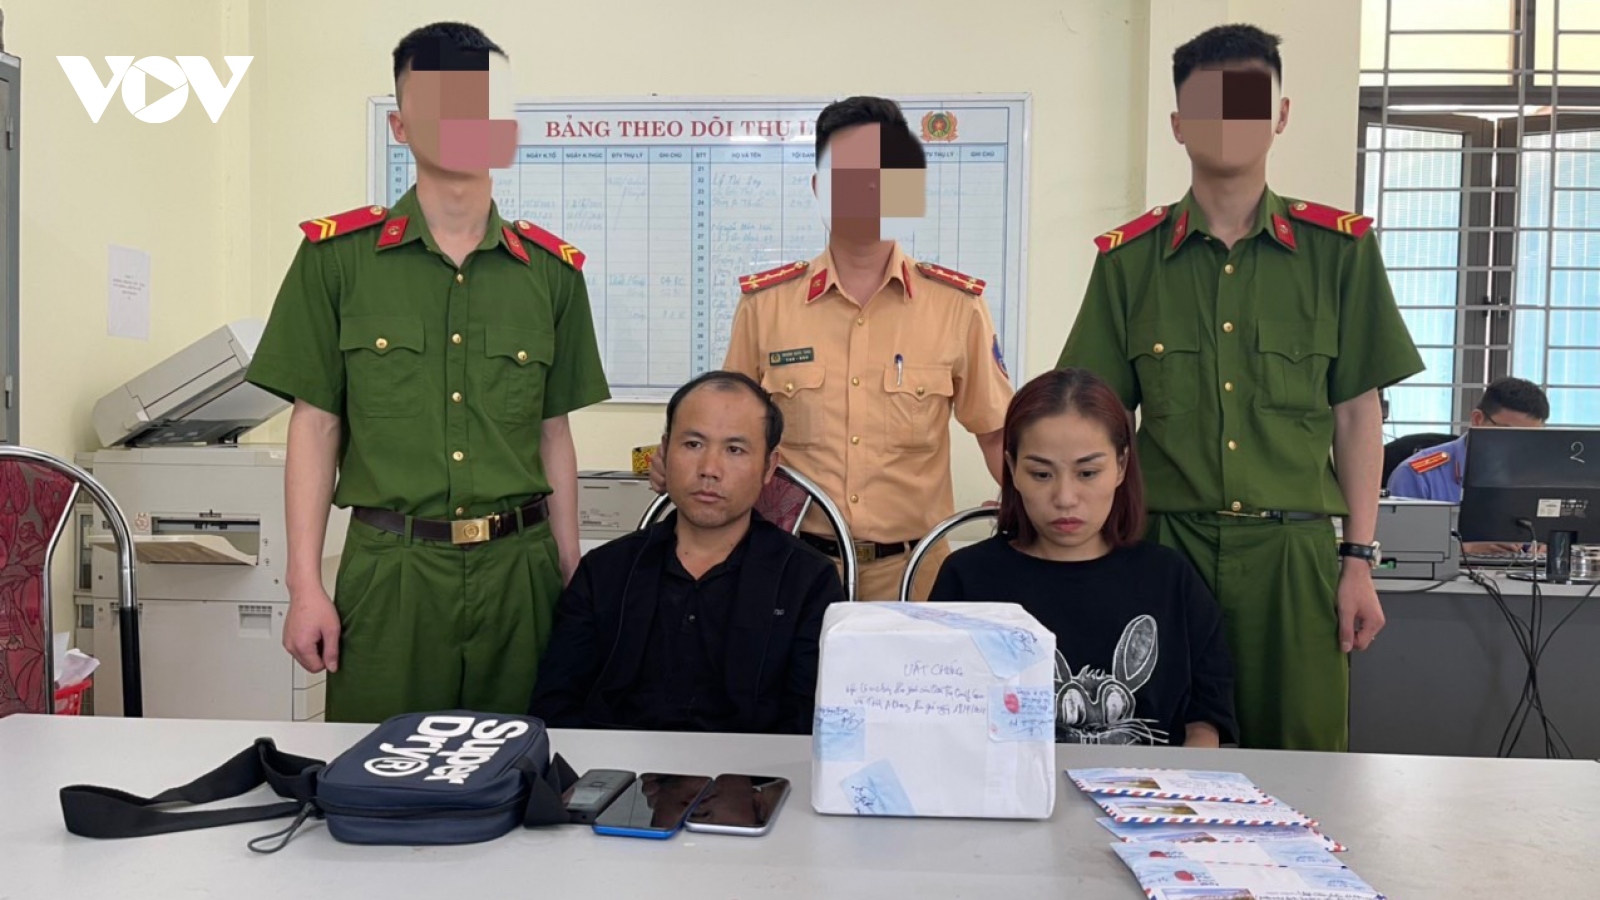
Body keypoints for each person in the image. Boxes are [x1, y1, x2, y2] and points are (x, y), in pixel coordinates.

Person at [1056, 24, 1425, 752]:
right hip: (1166, 549)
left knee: (1303, 759)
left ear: (1280, 116)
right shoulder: (1129, 262)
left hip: (1294, 557)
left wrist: (1358, 560)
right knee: (1156, 753)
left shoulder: (1339, 253)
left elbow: (1358, 417)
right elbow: (1097, 420)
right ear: (1177, 125)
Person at [244, 22, 610, 723]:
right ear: (401, 126)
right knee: (378, 768)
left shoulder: (552, 275)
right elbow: (315, 427)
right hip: (392, 573)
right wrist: (304, 585)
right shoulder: (336, 260)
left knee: (525, 766)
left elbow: (553, 433)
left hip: (520, 576)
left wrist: (571, 573)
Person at [652, 96, 1014, 602]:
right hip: (789, 569)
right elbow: (727, 428)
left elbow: (998, 436)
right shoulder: (766, 306)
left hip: (914, 576)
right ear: (820, 186)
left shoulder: (957, 308)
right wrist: (672, 460)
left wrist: (1024, 510)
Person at [929, 369, 1237, 747]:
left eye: (1088, 472)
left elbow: (1206, 720)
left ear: (1121, 466)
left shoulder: (1170, 579)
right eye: (1041, 474)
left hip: (1148, 785)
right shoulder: (968, 579)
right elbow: (940, 719)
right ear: (1012, 469)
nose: (1065, 498)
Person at [529, 371, 845, 734]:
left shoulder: (807, 582)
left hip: (758, 767)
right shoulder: (605, 572)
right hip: (619, 763)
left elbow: (810, 725)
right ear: (665, 452)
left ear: (768, 467)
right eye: (693, 444)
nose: (710, 469)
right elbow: (555, 708)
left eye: (735, 450)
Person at [1387, 377, 1550, 503]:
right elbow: (1405, 536)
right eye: (1508, 433)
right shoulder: (1418, 475)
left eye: (1529, 437)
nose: (1519, 446)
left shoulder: (1540, 477)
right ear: (1478, 419)